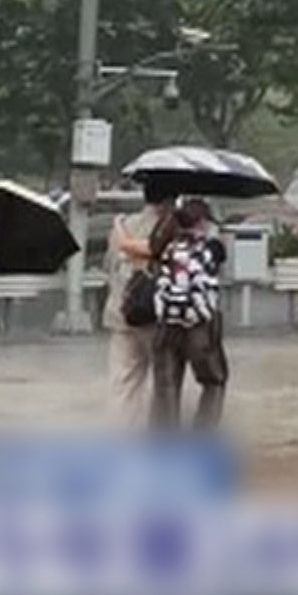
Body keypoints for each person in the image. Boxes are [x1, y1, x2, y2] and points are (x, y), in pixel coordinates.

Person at [148, 198, 228, 430]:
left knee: (167, 385)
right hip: (199, 324)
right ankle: (201, 436)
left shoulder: (166, 248)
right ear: (201, 222)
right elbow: (219, 256)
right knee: (214, 380)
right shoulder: (208, 249)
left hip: (167, 323)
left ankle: (165, 442)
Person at [106, 180, 179, 427]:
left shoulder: (123, 225)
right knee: (164, 379)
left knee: (123, 381)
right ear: (168, 201)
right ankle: (160, 435)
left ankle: (121, 435)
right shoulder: (169, 228)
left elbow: (110, 264)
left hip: (121, 311)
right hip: (155, 316)